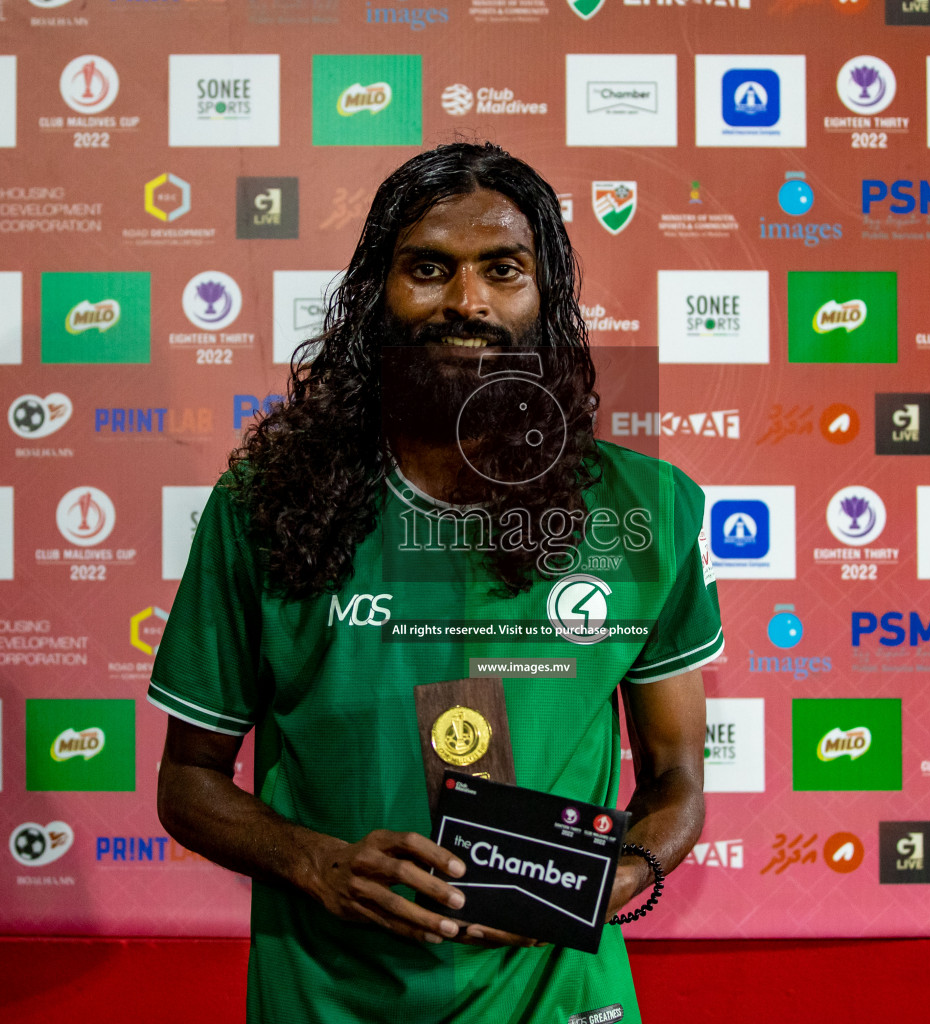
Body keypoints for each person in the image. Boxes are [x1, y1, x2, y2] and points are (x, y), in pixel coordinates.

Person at [150, 141, 723, 1024]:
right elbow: (188, 780)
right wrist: (317, 863)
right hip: (327, 996)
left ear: (547, 300)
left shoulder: (648, 508)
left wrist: (609, 883)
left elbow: (677, 776)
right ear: (375, 292)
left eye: (503, 270)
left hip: (558, 998)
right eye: (428, 268)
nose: (467, 302)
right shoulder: (263, 506)